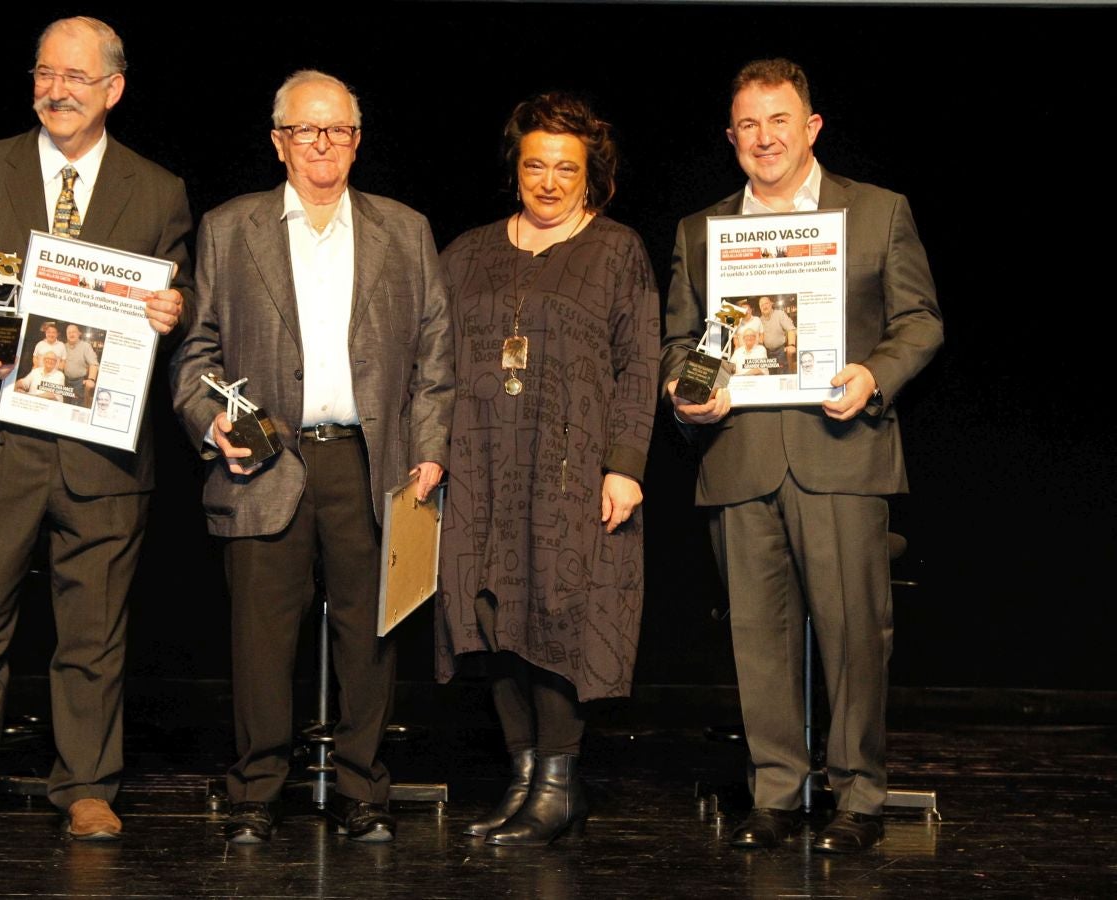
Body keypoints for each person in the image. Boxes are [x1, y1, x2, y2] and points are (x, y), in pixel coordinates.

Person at [0, 15, 192, 842]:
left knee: (94, 631)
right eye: (43, 73)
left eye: (74, 77)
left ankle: (88, 789)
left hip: (100, 448)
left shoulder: (158, 189)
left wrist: (175, 309)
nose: (55, 90)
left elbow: (178, 298)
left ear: (114, 89)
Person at [662, 58, 942, 853]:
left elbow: (919, 321)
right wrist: (692, 391)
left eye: (778, 120)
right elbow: (683, 344)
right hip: (740, 457)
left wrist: (872, 375)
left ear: (810, 127)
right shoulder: (699, 231)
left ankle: (857, 799)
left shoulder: (878, 212)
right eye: (747, 124)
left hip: (841, 452)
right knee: (756, 637)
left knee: (856, 635)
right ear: (730, 137)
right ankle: (775, 795)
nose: (764, 138)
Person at [170, 70, 454, 846]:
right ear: (278, 142)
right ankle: (255, 791)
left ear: (357, 142)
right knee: (261, 640)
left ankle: (364, 789)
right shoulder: (230, 229)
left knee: (371, 637)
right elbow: (195, 356)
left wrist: (429, 453)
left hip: (373, 463)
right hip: (262, 464)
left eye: (336, 130)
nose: (321, 144)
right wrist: (209, 426)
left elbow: (436, 354)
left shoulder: (406, 228)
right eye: (304, 130)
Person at [435, 92, 659, 846]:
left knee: (557, 614)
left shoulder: (616, 250)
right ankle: (523, 777)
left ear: (590, 172)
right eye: (536, 165)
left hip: (568, 470)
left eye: (567, 168)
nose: (551, 181)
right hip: (480, 463)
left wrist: (624, 465)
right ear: (517, 168)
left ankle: (559, 784)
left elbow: (638, 366)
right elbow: (429, 362)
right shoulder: (465, 254)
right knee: (493, 615)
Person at [756, 295, 796, 374]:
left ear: (771, 304)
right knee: (770, 375)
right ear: (760, 308)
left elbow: (791, 329)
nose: (764, 306)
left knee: (783, 374)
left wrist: (791, 345)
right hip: (767, 352)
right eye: (762, 305)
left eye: (766, 303)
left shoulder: (779, 314)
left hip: (780, 351)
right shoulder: (759, 320)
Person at [62, 324, 99, 405]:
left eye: (74, 332)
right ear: (66, 335)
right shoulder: (63, 346)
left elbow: (93, 364)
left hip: (79, 383)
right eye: (69, 332)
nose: (71, 334)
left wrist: (91, 379)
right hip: (65, 381)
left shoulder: (85, 346)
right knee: (64, 403)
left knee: (77, 404)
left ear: (79, 333)